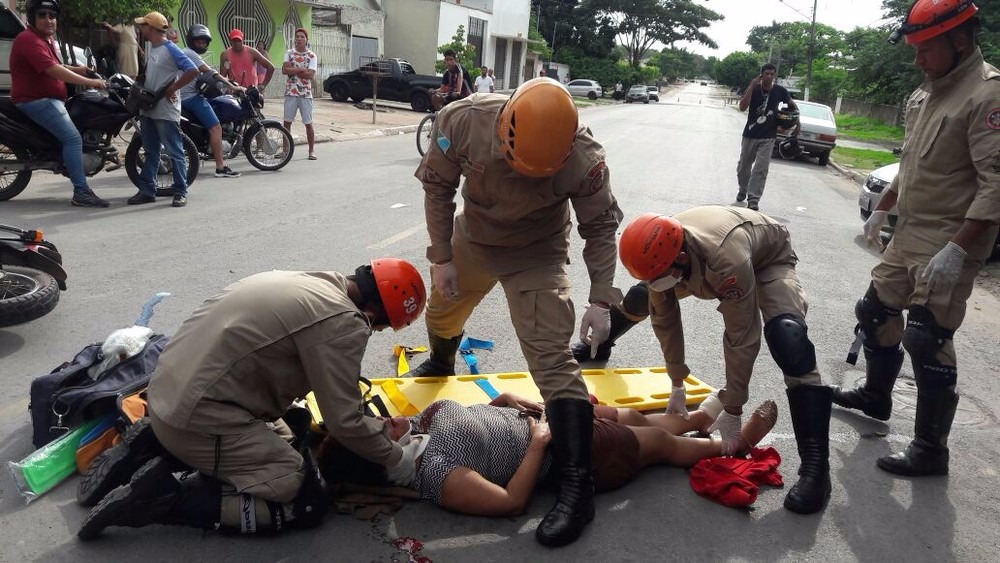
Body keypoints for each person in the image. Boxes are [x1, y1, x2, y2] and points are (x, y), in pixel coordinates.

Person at [410, 77, 624, 546]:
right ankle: (443, 357)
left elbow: (601, 228)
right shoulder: (462, 120)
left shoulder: (585, 161)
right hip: (474, 240)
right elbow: (438, 188)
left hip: (537, 252)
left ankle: (576, 487)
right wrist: (441, 257)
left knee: (552, 358)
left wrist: (601, 299)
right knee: (441, 313)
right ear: (505, 124)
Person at [75, 259, 428, 540]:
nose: (375, 333)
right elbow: (345, 420)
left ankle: (156, 442)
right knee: (300, 493)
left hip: (166, 391)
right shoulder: (344, 321)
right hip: (194, 414)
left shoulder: (311, 282)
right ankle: (165, 499)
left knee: (290, 432)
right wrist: (396, 460)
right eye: (381, 327)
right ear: (373, 314)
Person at [833, 0, 999, 478]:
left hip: (952, 238)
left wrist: (959, 249)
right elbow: (910, 166)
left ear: (960, 41)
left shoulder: (986, 95)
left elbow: (996, 184)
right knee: (875, 312)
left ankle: (929, 450)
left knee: (927, 337)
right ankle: (875, 396)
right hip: (909, 234)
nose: (917, 59)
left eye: (925, 48)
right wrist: (880, 211)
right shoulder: (925, 95)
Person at [591, 207, 835, 515]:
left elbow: (742, 335)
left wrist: (734, 407)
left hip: (766, 258)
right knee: (644, 297)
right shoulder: (664, 252)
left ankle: (816, 468)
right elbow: (665, 322)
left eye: (663, 274)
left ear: (679, 257)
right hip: (703, 256)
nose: (660, 281)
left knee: (789, 340)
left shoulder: (725, 262)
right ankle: (599, 343)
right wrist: (676, 381)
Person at [317, 392, 778, 516]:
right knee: (652, 444)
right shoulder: (435, 474)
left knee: (632, 417)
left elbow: (473, 423)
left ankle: (698, 419)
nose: (385, 420)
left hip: (541, 419)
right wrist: (538, 442)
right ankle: (728, 444)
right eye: (378, 430)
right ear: (380, 458)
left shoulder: (415, 430)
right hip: (565, 451)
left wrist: (502, 403)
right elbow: (509, 503)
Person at [10, 0, 109, 208]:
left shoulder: (44, 39)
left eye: (52, 16)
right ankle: (81, 192)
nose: (48, 20)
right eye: (42, 15)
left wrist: (78, 69)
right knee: (73, 139)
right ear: (32, 18)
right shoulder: (29, 40)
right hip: (36, 101)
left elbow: (55, 64)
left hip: (48, 99)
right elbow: (52, 71)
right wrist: (91, 82)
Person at [129, 11, 198, 208]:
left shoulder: (171, 48)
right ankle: (147, 191)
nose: (141, 29)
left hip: (166, 111)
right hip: (149, 109)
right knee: (151, 152)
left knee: (175, 152)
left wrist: (173, 89)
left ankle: (180, 192)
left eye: (143, 25)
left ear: (151, 28)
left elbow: (192, 70)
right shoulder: (153, 48)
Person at [179, 24, 243, 179]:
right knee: (216, 127)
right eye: (198, 42)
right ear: (191, 41)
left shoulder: (187, 52)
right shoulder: (190, 53)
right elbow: (211, 72)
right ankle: (220, 167)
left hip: (184, 96)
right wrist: (232, 86)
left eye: (204, 42)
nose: (201, 45)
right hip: (190, 98)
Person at [735, 63, 799, 211]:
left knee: (761, 168)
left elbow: (793, 107)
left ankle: (753, 199)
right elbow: (742, 107)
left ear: (774, 76)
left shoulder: (780, 91)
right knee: (743, 167)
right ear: (761, 75)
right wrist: (751, 85)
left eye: (772, 74)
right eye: (767, 74)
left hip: (768, 136)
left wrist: (795, 124)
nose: (769, 76)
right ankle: (743, 189)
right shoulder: (755, 89)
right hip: (750, 135)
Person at [281, 28, 318, 160]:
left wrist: (293, 70)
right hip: (291, 92)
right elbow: (284, 70)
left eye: (302, 36)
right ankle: (285, 150)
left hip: (305, 94)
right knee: (286, 123)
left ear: (306, 39)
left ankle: (311, 151)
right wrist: (301, 69)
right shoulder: (289, 53)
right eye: (297, 36)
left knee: (308, 123)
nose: (299, 39)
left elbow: (310, 75)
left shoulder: (311, 56)